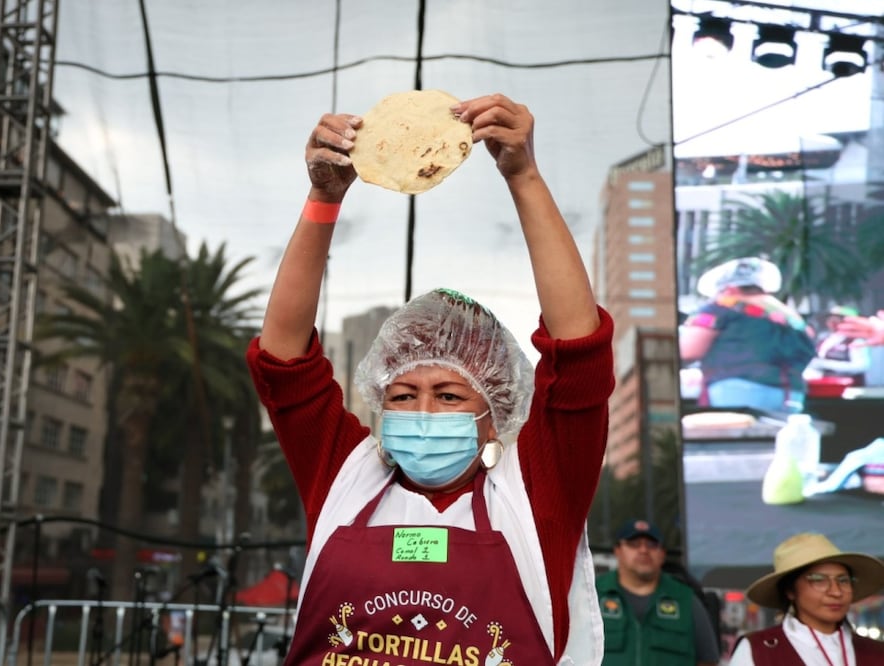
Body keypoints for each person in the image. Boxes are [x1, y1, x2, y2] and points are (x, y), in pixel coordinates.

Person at [246, 93, 614, 665]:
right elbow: (283, 361)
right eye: (401, 394)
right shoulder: (345, 474)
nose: (421, 412)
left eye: (447, 395)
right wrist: (323, 198)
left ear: (495, 415)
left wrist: (524, 175)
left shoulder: (539, 494)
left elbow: (578, 354)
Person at [679, 257, 816, 413]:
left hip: (736, 390)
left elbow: (689, 350)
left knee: (736, 437)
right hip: (791, 393)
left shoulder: (722, 306)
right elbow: (808, 344)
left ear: (730, 288)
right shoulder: (788, 314)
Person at [729, 533, 884, 665]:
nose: (836, 592)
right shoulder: (759, 650)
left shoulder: (876, 652)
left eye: (843, 580)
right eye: (819, 580)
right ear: (790, 590)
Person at [596, 519, 720, 666]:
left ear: (662, 554)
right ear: (618, 551)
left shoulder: (687, 601)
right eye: (634, 544)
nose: (643, 550)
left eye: (652, 545)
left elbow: (708, 662)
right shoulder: (593, 596)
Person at [806, 306, 871, 386]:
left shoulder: (856, 340)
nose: (833, 322)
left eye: (838, 319)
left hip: (849, 388)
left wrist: (826, 364)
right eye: (830, 319)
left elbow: (861, 366)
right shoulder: (824, 338)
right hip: (825, 385)